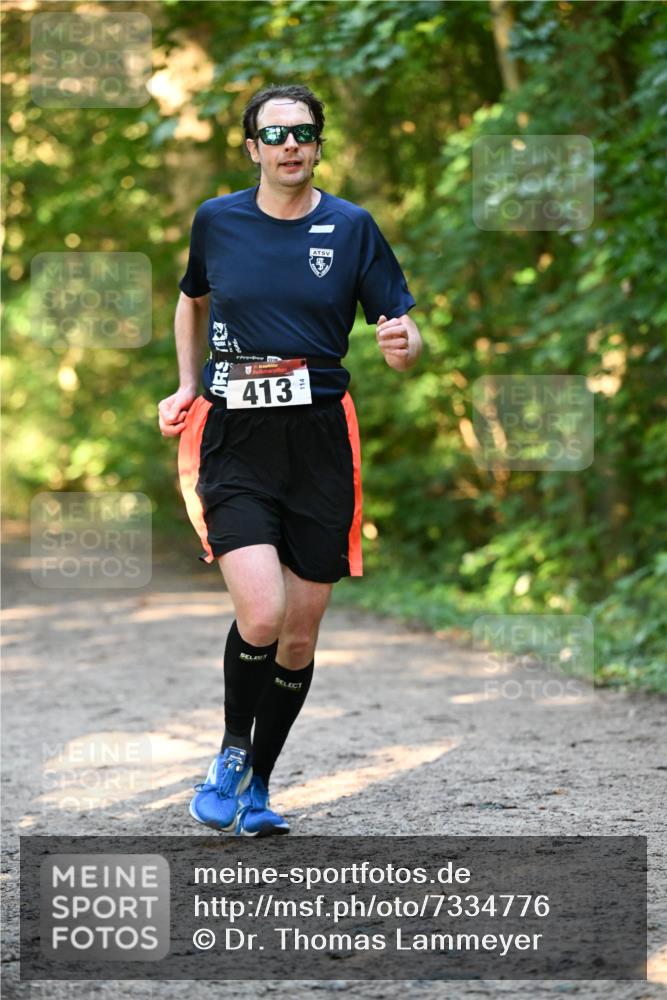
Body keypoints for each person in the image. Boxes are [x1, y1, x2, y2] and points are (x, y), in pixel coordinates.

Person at [158, 83, 422, 837]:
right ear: (252, 148)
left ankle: (260, 786)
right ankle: (230, 754)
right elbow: (192, 298)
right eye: (273, 135)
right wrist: (186, 383)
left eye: (303, 132)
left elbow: (402, 330)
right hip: (234, 437)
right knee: (264, 613)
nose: (289, 145)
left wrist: (404, 346)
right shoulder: (218, 220)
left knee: (300, 635)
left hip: (319, 442)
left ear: (318, 143)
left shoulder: (352, 227)